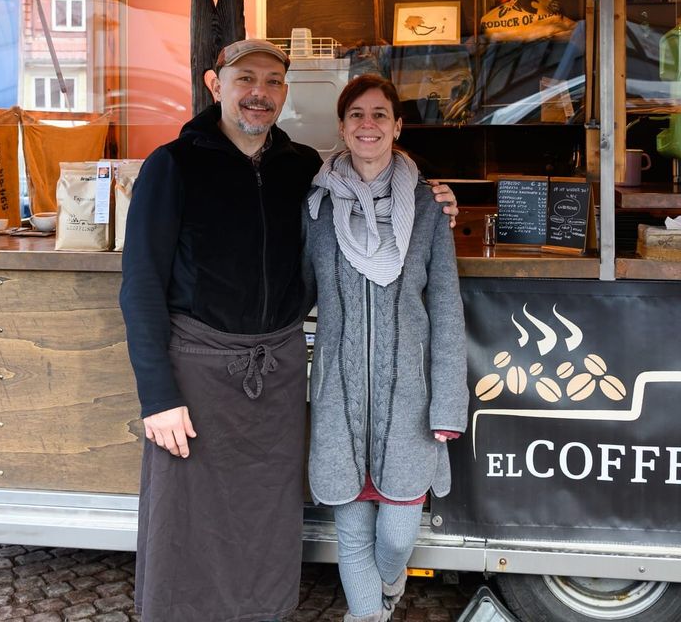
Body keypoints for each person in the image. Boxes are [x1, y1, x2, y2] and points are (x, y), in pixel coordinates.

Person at [119, 40, 457, 622]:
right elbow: (140, 285)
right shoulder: (170, 165)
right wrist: (158, 396)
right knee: (187, 522)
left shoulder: (303, 168)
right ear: (214, 84)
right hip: (196, 373)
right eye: (245, 79)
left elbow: (367, 176)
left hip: (275, 373)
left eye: (273, 81)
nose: (259, 93)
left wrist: (437, 197)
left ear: (285, 92)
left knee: (267, 518)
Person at [301, 74, 469, 622]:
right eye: (356, 115)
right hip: (339, 403)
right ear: (343, 127)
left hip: (408, 408)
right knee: (351, 537)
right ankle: (366, 615)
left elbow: (446, 309)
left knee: (397, 538)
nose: (367, 125)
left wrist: (447, 404)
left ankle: (390, 585)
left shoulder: (427, 209)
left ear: (397, 126)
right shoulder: (318, 209)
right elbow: (294, 287)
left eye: (379, 115)